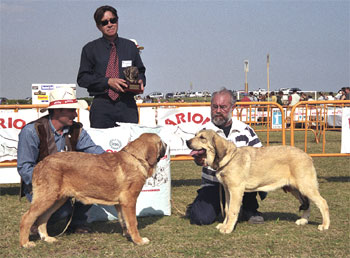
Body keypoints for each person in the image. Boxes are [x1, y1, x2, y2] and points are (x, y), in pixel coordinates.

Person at [17, 87, 105, 234]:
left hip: (70, 182)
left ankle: (76, 223)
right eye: (71, 110)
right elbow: (25, 167)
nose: (75, 114)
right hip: (42, 185)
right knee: (61, 211)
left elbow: (94, 150)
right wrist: (50, 184)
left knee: (94, 187)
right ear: (57, 111)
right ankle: (35, 222)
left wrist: (114, 160)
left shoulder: (77, 131)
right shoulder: (32, 131)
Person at [187, 88, 266, 225]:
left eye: (223, 107)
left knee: (246, 185)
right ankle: (204, 208)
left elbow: (260, 156)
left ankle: (249, 208)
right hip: (214, 184)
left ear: (232, 108)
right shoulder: (203, 131)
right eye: (215, 106)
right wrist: (199, 160)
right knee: (200, 218)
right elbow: (198, 157)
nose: (218, 110)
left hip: (243, 184)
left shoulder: (245, 130)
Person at [77, 5, 146, 128]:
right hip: (102, 105)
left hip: (127, 105)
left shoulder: (130, 47)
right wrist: (107, 81)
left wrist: (141, 80)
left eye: (113, 20)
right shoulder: (90, 49)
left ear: (117, 21)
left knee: (130, 145)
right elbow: (82, 78)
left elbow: (140, 70)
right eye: (104, 22)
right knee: (101, 145)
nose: (110, 24)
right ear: (98, 26)